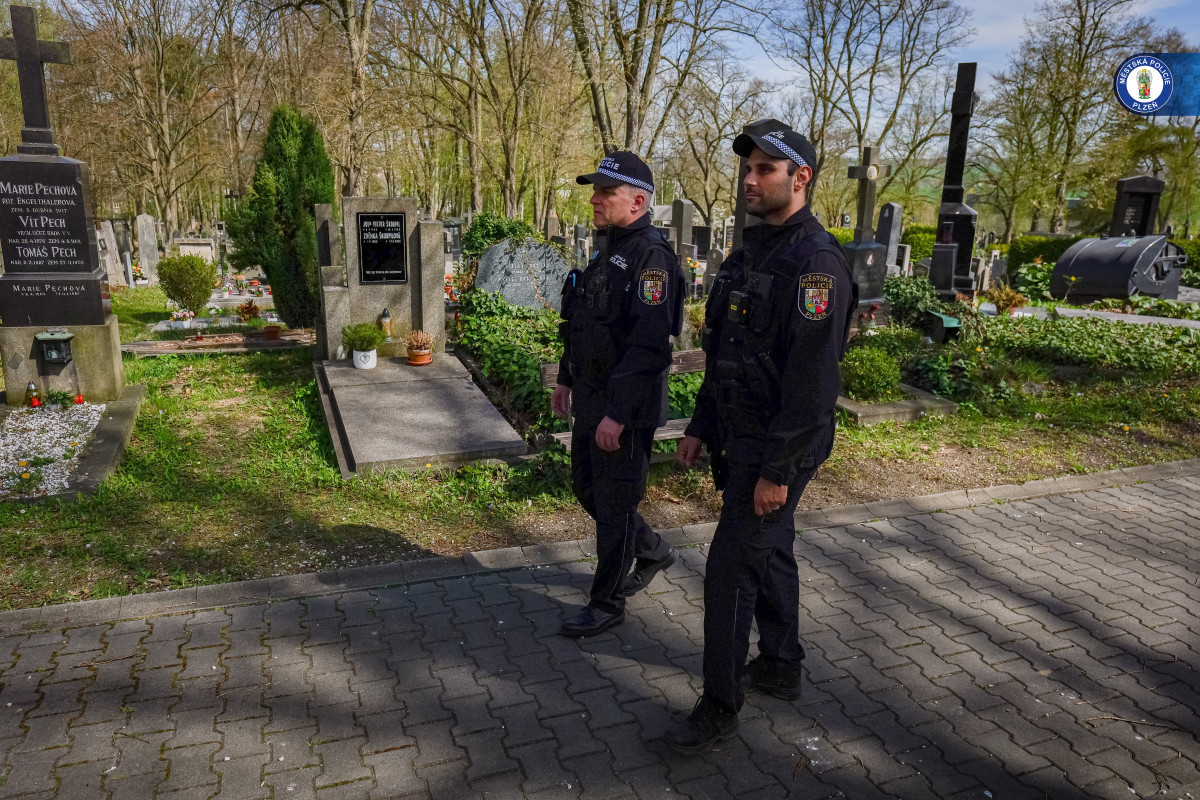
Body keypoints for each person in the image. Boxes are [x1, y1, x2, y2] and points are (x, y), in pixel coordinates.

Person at [666, 129, 857, 752]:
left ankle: (719, 704)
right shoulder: (748, 254)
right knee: (770, 551)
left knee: (728, 572)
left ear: (800, 179)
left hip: (778, 447)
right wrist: (700, 425)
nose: (750, 180)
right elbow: (724, 351)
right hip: (739, 435)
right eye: (747, 169)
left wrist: (778, 469)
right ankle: (779, 663)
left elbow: (812, 382)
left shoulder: (816, 264)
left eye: (765, 169)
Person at [552, 151, 687, 638]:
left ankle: (607, 603)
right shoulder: (606, 249)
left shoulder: (653, 259)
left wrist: (618, 414)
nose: (594, 199)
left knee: (612, 507)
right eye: (595, 190)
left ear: (637, 201)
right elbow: (583, 320)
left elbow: (649, 347)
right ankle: (652, 550)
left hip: (622, 411)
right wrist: (566, 377)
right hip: (591, 398)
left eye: (605, 192)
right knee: (588, 490)